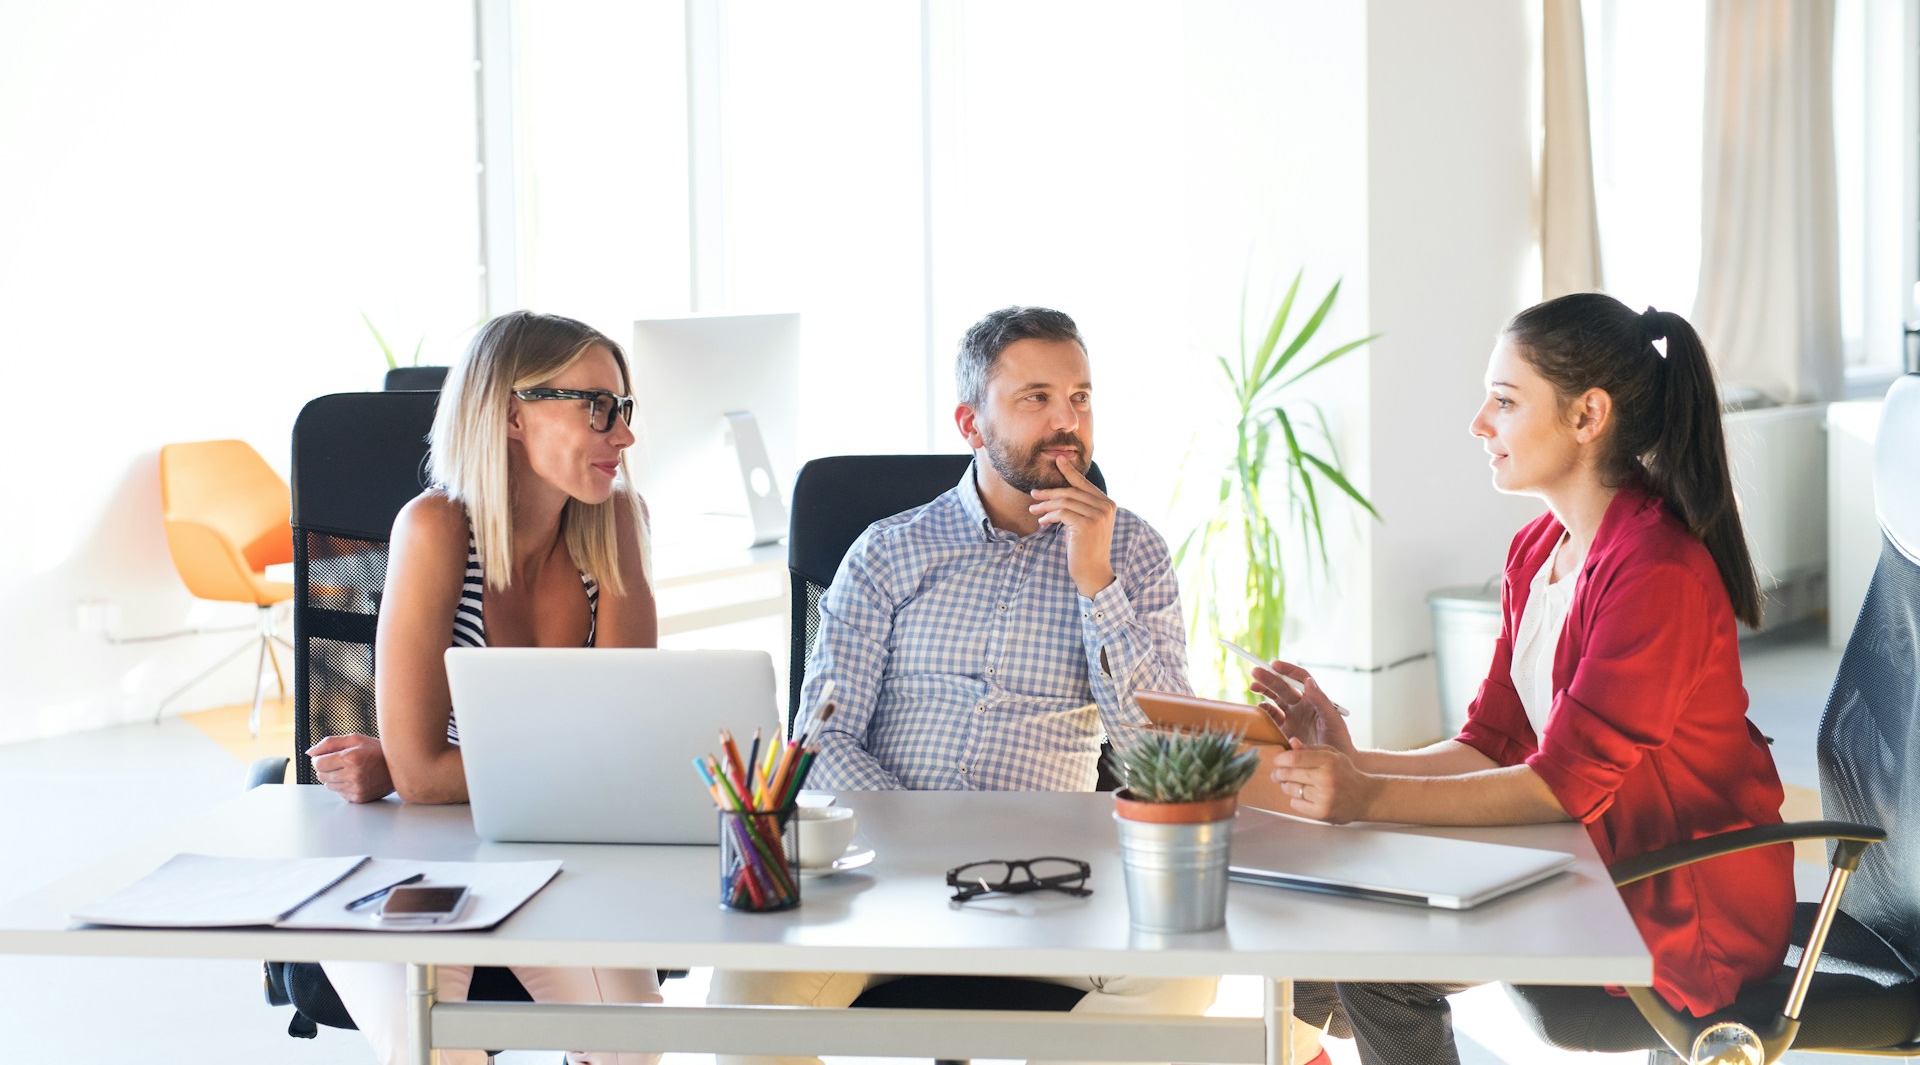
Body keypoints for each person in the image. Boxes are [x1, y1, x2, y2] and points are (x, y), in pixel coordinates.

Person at [1258, 293, 1794, 1065]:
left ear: (1588, 416)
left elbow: (1561, 787)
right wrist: (1352, 761)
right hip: (1588, 862)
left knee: (1376, 970)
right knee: (1313, 953)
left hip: (1670, 905)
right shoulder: (1538, 551)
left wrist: (1366, 796)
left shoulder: (1657, 572)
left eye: (1505, 401)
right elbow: (1491, 744)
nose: (1480, 423)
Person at [707, 305, 1236, 1065]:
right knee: (745, 997)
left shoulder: (1134, 553)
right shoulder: (888, 551)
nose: (1067, 421)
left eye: (1080, 397)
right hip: (884, 876)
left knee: (1182, 980)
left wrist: (1097, 582)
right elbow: (820, 737)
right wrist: (924, 839)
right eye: (1036, 398)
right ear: (970, 423)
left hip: (1047, 883)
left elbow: (1160, 756)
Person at [312, 310, 664, 1065]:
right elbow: (421, 779)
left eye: (623, 408)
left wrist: (428, 768)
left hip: (550, 848)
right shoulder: (436, 529)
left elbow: (627, 748)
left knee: (631, 1046)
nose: (624, 435)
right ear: (511, 415)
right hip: (415, 849)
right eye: (597, 407)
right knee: (436, 1044)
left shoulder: (615, 526)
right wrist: (416, 771)